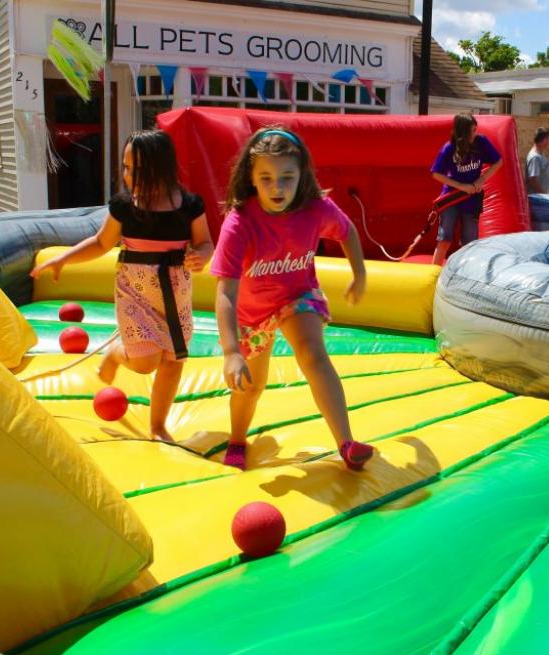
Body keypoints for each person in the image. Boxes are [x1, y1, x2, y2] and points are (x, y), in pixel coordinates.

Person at [31, 130, 214, 443]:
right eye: (126, 168)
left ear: (163, 168)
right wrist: (63, 259)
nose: (129, 176)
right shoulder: (124, 206)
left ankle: (157, 426)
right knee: (145, 362)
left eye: (138, 169)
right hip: (136, 295)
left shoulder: (190, 205)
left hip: (175, 296)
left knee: (173, 361)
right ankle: (117, 354)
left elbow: (206, 242)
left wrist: (201, 257)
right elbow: (101, 243)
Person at [210, 126, 374, 471]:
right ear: (251, 178)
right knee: (250, 386)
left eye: (287, 177)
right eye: (266, 178)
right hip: (252, 311)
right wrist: (231, 353)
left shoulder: (316, 208)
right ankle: (238, 438)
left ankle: (346, 442)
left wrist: (359, 273)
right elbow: (225, 292)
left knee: (313, 355)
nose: (277, 187)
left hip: (297, 297)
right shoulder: (239, 223)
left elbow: (348, 232)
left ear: (302, 176)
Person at [429, 113, 504, 266]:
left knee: (470, 242)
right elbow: (436, 174)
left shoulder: (481, 142)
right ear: (462, 132)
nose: (474, 134)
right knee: (445, 239)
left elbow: (498, 162)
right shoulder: (449, 148)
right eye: (471, 131)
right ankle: (433, 275)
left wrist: (481, 180)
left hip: (471, 199)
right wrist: (461, 186)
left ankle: (466, 274)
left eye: (475, 130)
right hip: (453, 197)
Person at [525, 128, 549, 194]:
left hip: (541, 198)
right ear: (543, 140)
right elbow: (532, 180)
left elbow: (542, 169)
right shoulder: (535, 157)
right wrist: (544, 196)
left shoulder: (541, 154)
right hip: (538, 200)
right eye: (548, 139)